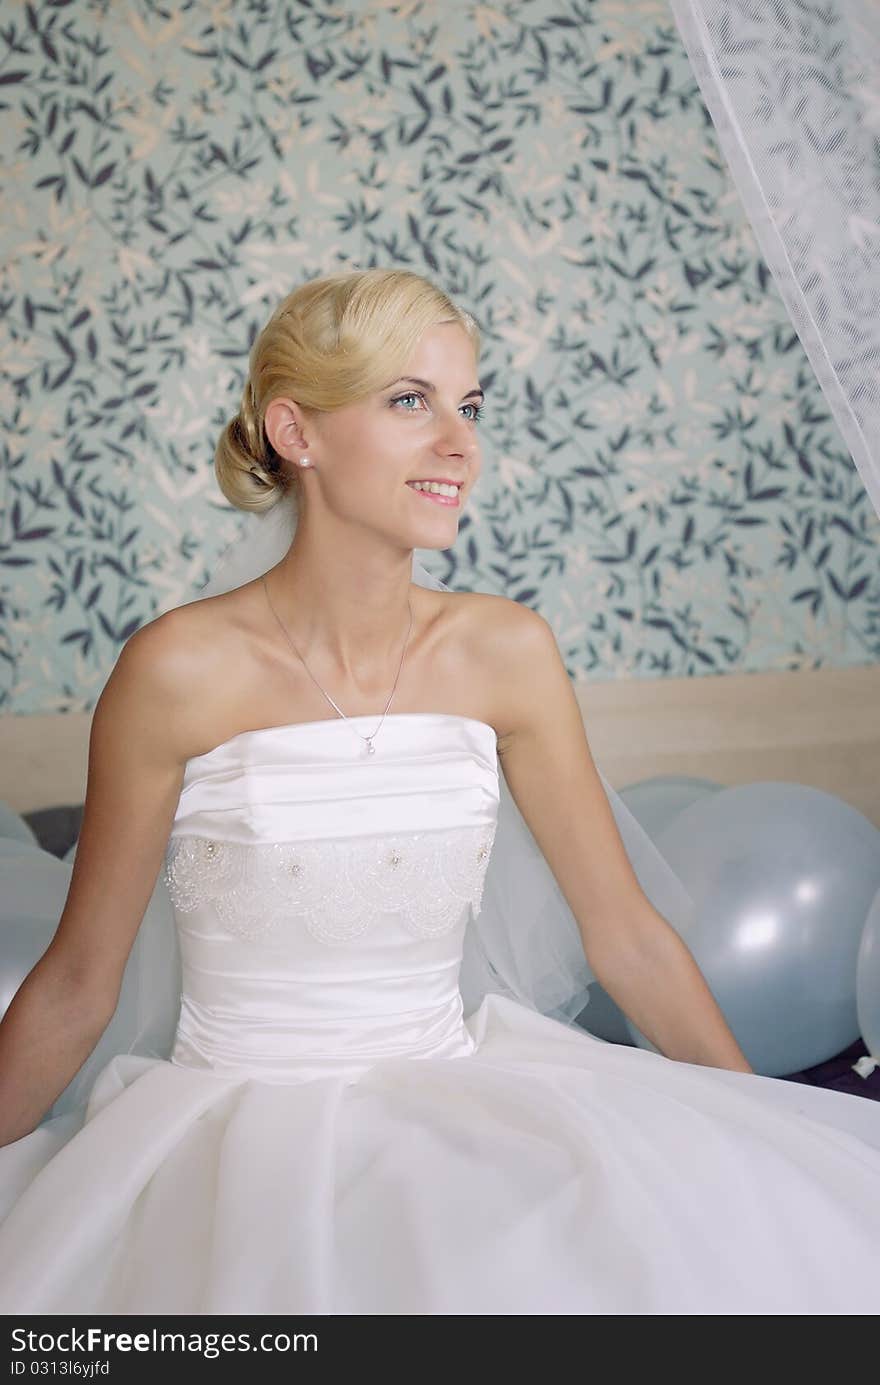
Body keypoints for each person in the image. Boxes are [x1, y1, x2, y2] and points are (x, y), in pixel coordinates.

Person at [0, 267, 878, 1315]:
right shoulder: (175, 670)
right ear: (297, 431)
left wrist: (755, 1134)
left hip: (463, 1095)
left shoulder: (505, 651)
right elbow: (76, 983)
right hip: (229, 1127)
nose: (459, 443)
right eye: (409, 400)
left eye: (469, 405)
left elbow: (627, 935)